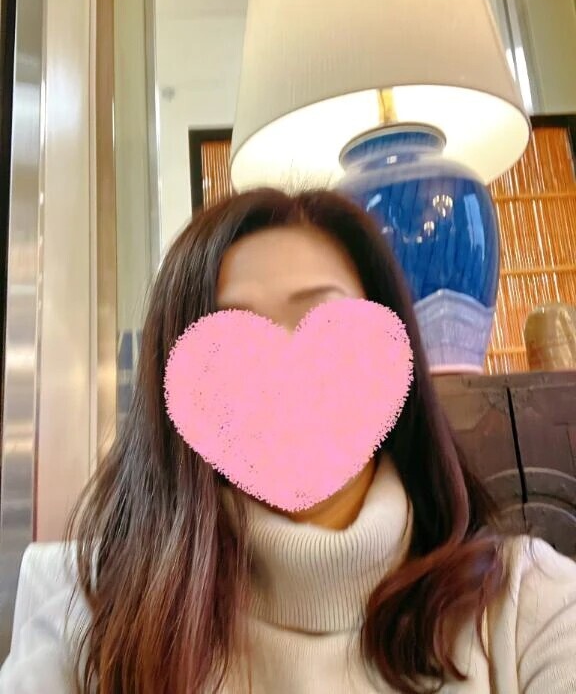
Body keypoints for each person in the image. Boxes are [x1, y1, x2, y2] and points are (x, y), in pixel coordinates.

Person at [1, 187, 576, 694]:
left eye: (324, 319)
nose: (283, 374)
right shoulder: (98, 625)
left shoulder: (528, 602)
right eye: (230, 342)